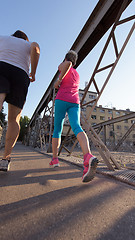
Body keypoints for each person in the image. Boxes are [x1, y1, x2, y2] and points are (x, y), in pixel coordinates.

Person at [50, 50, 98, 182]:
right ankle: (87, 156)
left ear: (65, 58)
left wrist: (58, 81)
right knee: (77, 127)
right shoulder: (77, 74)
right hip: (75, 102)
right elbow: (70, 65)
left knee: (57, 129)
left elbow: (67, 64)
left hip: (62, 100)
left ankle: (54, 159)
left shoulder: (65, 63)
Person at [0, 30, 40, 171]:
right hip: (21, 74)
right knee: (14, 119)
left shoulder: (3, 38)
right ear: (25, 39)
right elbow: (36, 49)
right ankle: (5, 158)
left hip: (1, 67)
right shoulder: (28, 44)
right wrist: (33, 74)